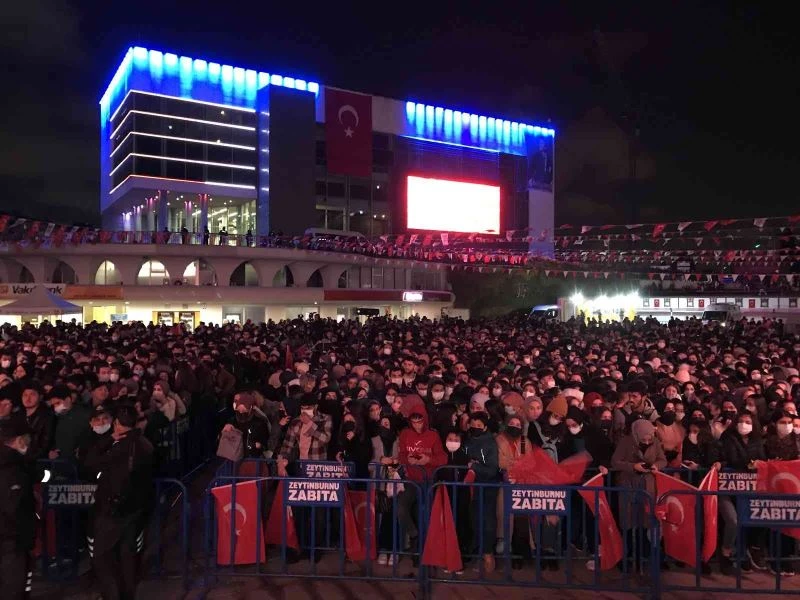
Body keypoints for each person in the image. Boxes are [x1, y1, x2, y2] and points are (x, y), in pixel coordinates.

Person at [84, 404, 155, 600]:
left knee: (105, 560)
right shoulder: (145, 443)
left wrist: (106, 442)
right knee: (127, 559)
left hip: (114, 511)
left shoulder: (121, 447)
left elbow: (90, 463)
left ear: (116, 423)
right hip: (134, 510)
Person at [397, 410, 445, 565]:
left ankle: (420, 553)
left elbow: (443, 457)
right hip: (410, 480)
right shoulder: (405, 434)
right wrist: (407, 459)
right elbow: (401, 455)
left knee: (424, 516)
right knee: (401, 508)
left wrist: (428, 460)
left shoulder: (433, 435)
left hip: (428, 481)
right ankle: (414, 535)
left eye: (420, 421)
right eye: (414, 421)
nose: (417, 424)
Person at [0, 420, 36, 600]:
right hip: (10, 541)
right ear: (19, 440)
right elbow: (15, 509)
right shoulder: (13, 469)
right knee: (13, 590)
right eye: (27, 439)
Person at [463, 411, 500, 573]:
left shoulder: (491, 443)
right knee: (474, 520)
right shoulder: (467, 441)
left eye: (479, 425)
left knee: (488, 521)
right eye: (473, 424)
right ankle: (478, 553)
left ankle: (488, 554)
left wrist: (475, 466)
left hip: (488, 487)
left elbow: (492, 469)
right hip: (472, 488)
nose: (475, 427)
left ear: (485, 427)